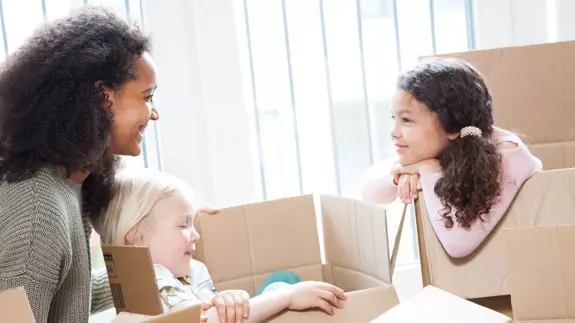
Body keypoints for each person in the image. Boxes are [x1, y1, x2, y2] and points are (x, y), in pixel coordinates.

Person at [0, 6, 159, 323]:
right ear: (104, 98)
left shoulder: (68, 181)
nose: (154, 113)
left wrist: (159, 272)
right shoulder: (38, 211)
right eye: (147, 96)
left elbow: (65, 291)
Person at [93, 169, 347, 323]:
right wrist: (286, 297)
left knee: (283, 279)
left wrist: (225, 300)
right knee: (285, 288)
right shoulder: (154, 279)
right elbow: (202, 321)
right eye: (183, 226)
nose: (195, 236)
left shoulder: (185, 271)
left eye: (193, 224)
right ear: (137, 238)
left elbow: (209, 306)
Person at [360, 58, 542, 258]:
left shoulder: (508, 154)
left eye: (407, 120)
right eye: (394, 118)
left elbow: (459, 244)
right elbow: (369, 193)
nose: (393, 132)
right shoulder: (438, 146)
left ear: (452, 127)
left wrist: (429, 171)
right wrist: (399, 176)